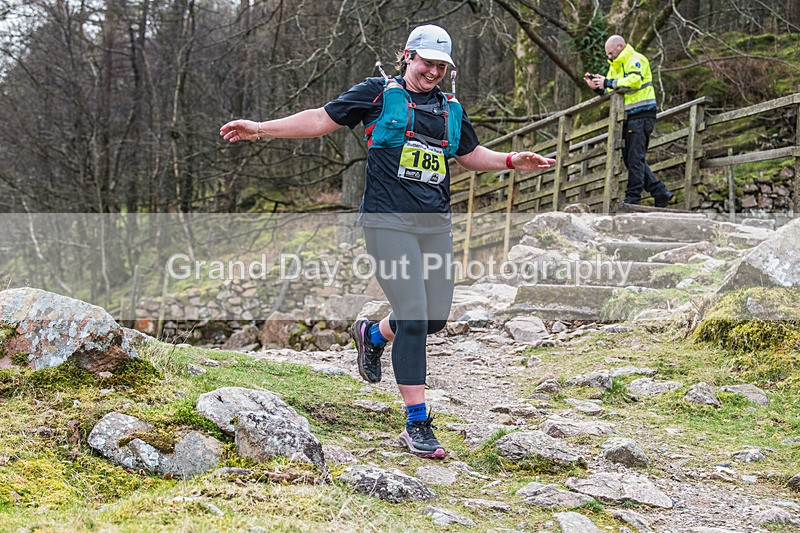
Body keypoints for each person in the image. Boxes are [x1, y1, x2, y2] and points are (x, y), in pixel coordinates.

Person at [220, 24, 555, 459]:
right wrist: (261, 129)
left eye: (441, 66)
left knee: (434, 318)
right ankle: (418, 423)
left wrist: (511, 160)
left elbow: (470, 155)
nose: (433, 72)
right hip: (387, 223)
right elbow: (321, 120)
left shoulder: (450, 108)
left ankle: (373, 334)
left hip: (434, 226)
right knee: (415, 316)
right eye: (427, 62)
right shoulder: (378, 92)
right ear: (408, 56)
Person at [584, 35, 673, 207]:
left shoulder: (636, 59)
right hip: (627, 116)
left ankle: (633, 197)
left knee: (634, 158)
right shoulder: (615, 67)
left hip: (642, 114)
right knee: (630, 158)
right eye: (607, 54)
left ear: (620, 46)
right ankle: (659, 191)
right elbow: (613, 92)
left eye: (610, 53)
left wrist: (608, 82)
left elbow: (633, 81)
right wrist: (598, 88)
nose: (608, 57)